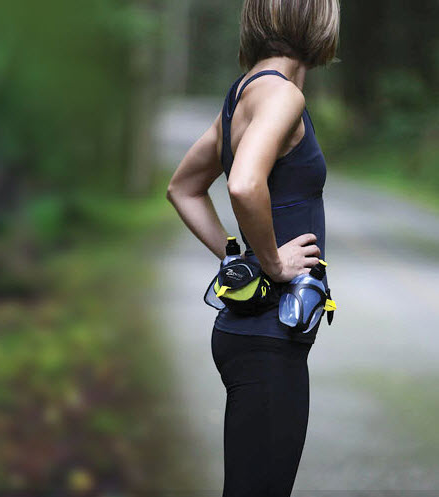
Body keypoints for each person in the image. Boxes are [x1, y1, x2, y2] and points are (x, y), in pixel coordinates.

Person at [166, 0, 341, 495]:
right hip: (268, 339)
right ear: (314, 19)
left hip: (248, 332)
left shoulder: (243, 95)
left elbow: (183, 188)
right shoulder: (282, 97)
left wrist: (231, 256)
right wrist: (271, 262)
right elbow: (244, 184)